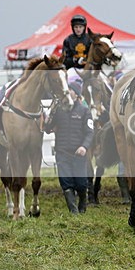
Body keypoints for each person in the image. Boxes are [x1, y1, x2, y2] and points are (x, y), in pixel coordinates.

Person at [44, 81, 94, 214]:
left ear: (77, 95)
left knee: (81, 183)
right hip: (62, 152)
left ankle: (82, 204)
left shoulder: (84, 111)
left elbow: (90, 132)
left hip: (79, 153)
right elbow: (47, 128)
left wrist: (84, 146)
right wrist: (50, 115)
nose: (68, 92)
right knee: (66, 182)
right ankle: (74, 211)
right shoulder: (59, 110)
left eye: (71, 90)